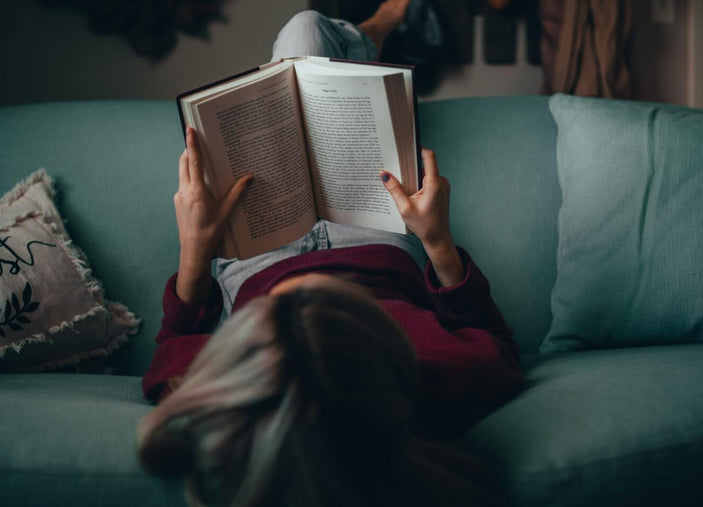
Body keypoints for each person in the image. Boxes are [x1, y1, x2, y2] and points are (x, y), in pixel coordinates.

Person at [136, 5, 523, 506]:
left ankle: (373, 35)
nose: (308, 295)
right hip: (371, 240)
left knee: (303, 35)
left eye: (280, 323)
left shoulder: (229, 399)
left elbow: (172, 346)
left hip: (258, 255)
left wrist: (195, 248)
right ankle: (378, 33)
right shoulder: (434, 379)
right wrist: (436, 240)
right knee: (307, 32)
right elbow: (498, 343)